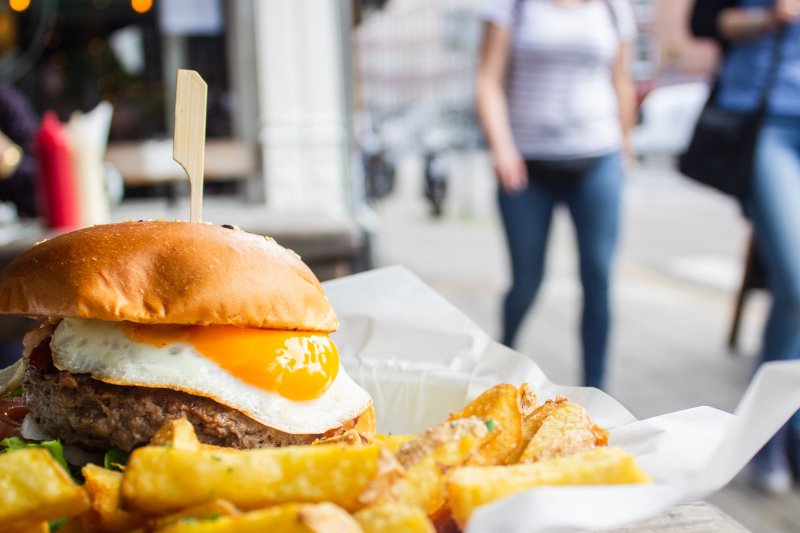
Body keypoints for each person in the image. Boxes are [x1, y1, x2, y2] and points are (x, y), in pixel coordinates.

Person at [476, 0, 636, 389]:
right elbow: (488, 80)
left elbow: (621, 80)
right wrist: (502, 147)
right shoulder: (511, 6)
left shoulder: (613, 7)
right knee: (527, 282)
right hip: (527, 166)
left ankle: (598, 392)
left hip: (598, 156)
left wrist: (625, 147)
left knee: (598, 276)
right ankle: (499, 368)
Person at [691, 0, 800, 494]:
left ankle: (790, 427)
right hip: (768, 123)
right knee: (795, 284)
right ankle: (765, 433)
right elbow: (704, 21)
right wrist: (770, 17)